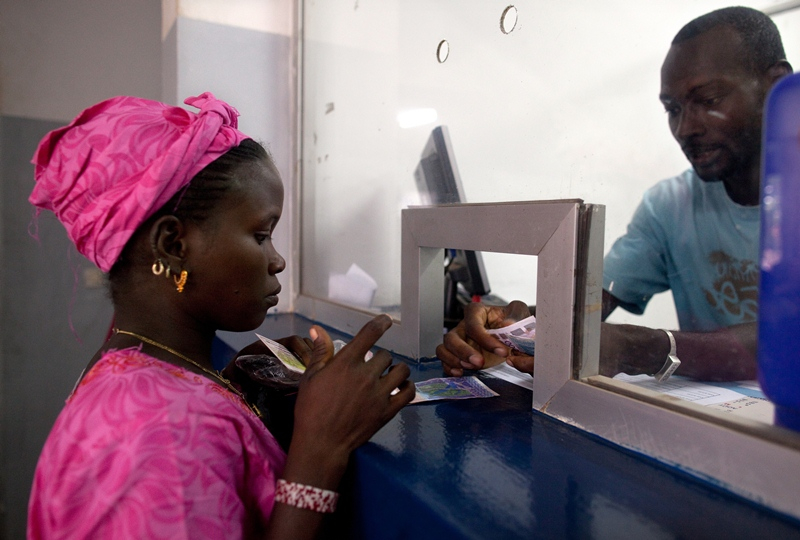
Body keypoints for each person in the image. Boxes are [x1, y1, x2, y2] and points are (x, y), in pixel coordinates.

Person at [26, 93, 415, 539]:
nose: (277, 261)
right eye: (261, 235)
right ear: (173, 246)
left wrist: (232, 383)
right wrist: (320, 448)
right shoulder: (163, 435)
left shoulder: (133, 361)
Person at [437, 6, 792, 383]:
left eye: (709, 100)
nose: (686, 128)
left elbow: (791, 339)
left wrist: (644, 348)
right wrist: (508, 327)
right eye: (672, 109)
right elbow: (588, 306)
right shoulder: (671, 205)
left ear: (776, 87)